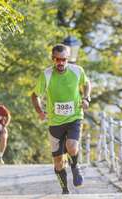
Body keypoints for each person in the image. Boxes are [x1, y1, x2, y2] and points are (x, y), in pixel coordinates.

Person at [31, 44, 91, 194]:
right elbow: (35, 95)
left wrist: (86, 98)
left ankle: (75, 167)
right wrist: (40, 111)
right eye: (57, 59)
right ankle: (65, 189)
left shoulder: (77, 71)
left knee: (72, 146)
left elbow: (87, 83)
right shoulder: (46, 74)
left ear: (68, 59)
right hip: (55, 122)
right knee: (58, 162)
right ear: (53, 59)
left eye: (63, 59)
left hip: (74, 117)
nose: (60, 63)